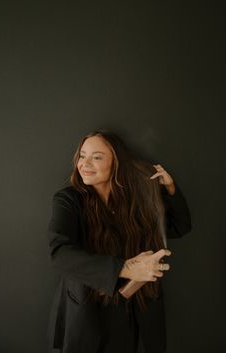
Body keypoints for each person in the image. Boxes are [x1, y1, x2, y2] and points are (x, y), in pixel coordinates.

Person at [47, 130, 192, 353]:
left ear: (116, 163)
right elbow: (60, 254)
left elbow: (179, 226)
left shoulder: (134, 200)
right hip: (89, 311)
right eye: (82, 156)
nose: (84, 164)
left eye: (96, 157)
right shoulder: (68, 199)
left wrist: (170, 188)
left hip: (135, 311)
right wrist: (126, 269)